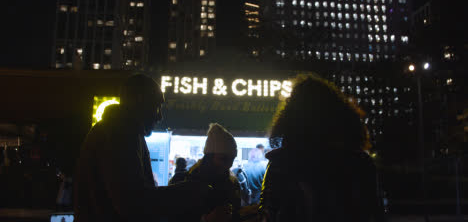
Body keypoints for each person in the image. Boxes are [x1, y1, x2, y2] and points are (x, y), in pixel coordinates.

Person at [74, 74, 224, 222]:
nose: (160, 117)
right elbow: (133, 203)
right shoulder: (121, 133)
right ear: (140, 101)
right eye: (157, 106)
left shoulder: (116, 130)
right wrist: (189, 191)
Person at [260, 73, 384, 222]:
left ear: (290, 118)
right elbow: (374, 212)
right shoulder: (360, 163)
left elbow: (269, 213)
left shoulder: (282, 164)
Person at [181, 123, 241, 222]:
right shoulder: (190, 180)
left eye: (232, 159)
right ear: (209, 157)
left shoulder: (232, 182)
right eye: (223, 159)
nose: (229, 165)